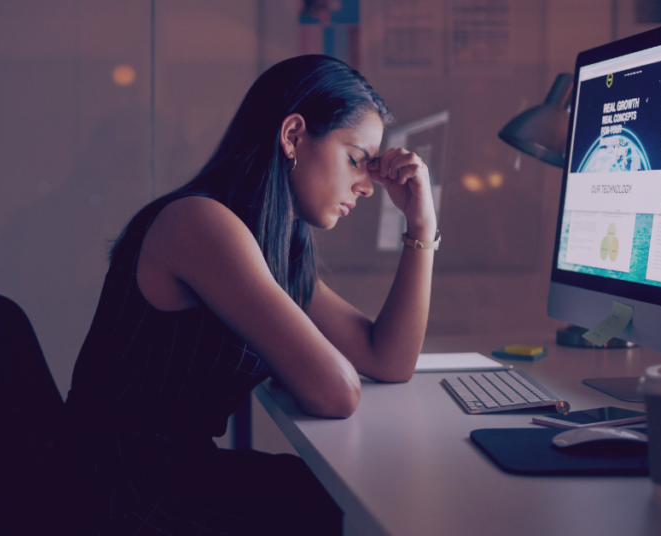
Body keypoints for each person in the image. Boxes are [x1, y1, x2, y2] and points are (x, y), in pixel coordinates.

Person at [62, 55, 437, 535]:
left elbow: (388, 359)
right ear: (293, 135)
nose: (366, 186)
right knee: (359, 515)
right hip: (128, 494)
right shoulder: (202, 225)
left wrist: (422, 227)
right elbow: (336, 393)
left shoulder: (276, 244)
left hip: (180, 471)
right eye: (354, 159)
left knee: (375, 495)